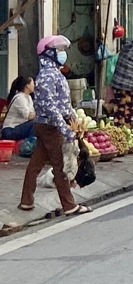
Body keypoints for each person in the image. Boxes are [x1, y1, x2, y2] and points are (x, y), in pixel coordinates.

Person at [19, 36, 86, 216]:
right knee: (61, 166)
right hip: (50, 126)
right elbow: (50, 106)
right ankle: (69, 205)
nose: (62, 54)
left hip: (47, 125)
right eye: (59, 50)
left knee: (36, 164)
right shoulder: (48, 76)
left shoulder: (54, 73)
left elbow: (63, 103)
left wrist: (73, 119)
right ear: (49, 53)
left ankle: (26, 201)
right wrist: (65, 129)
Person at [3, 75, 35, 142]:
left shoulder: (28, 97)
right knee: (34, 123)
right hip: (9, 130)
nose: (34, 85)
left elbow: (33, 114)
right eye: (33, 83)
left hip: (18, 127)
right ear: (27, 86)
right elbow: (29, 116)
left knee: (37, 123)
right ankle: (29, 145)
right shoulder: (20, 98)